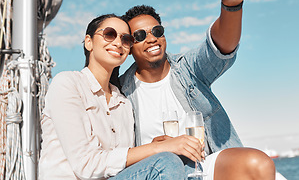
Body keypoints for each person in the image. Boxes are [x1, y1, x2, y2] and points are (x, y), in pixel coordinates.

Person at [119, 0, 276, 180]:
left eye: (157, 31)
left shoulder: (188, 69)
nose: (151, 38)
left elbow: (221, 46)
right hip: (158, 172)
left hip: (203, 165)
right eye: (140, 36)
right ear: (129, 47)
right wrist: (155, 149)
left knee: (259, 164)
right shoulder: (120, 92)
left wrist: (231, 4)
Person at [39, 14, 204, 179]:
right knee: (167, 162)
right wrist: (157, 150)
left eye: (126, 39)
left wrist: (153, 148)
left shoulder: (124, 103)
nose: (118, 43)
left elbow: (122, 164)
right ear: (89, 42)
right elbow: (86, 165)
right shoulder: (67, 84)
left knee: (187, 165)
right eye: (109, 34)